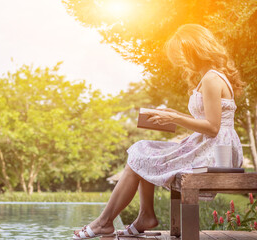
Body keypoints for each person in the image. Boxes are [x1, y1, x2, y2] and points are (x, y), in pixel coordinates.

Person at [72, 23, 245, 239]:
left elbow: (213, 127)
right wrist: (171, 114)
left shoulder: (211, 79)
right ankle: (141, 216)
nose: (180, 61)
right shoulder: (208, 77)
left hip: (216, 152)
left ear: (194, 50)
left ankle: (106, 222)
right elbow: (208, 121)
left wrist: (175, 117)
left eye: (182, 54)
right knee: (144, 150)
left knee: (141, 152)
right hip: (209, 145)